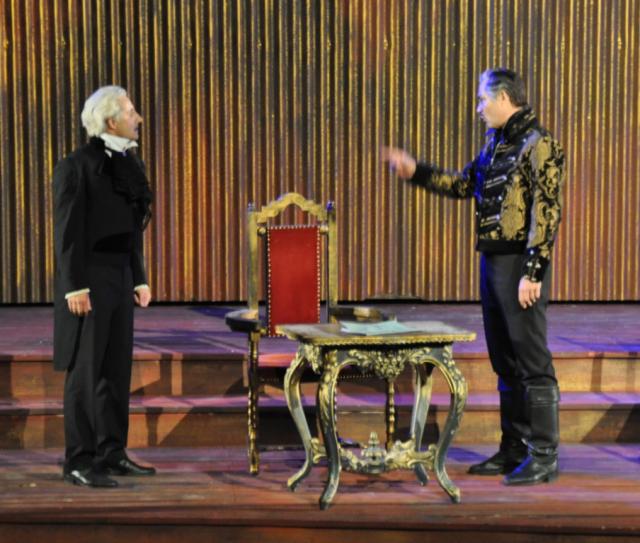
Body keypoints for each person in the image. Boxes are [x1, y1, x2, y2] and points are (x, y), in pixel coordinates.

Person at [383, 68, 565, 486]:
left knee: (531, 359)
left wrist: (533, 271)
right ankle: (514, 447)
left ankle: (544, 455)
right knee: (504, 359)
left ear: (503, 98)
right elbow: (464, 184)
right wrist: (417, 171)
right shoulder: (496, 144)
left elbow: (547, 211)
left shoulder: (540, 144)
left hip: (520, 265)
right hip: (494, 262)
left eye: (483, 99)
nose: (479, 107)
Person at [52, 86, 155, 487]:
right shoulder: (76, 167)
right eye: (131, 112)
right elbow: (67, 234)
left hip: (120, 277)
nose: (138, 118)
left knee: (116, 369)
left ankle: (111, 452)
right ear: (111, 121)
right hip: (89, 281)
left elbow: (131, 231)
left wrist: (139, 276)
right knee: (86, 372)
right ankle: (79, 459)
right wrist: (74, 287)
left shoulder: (129, 163)